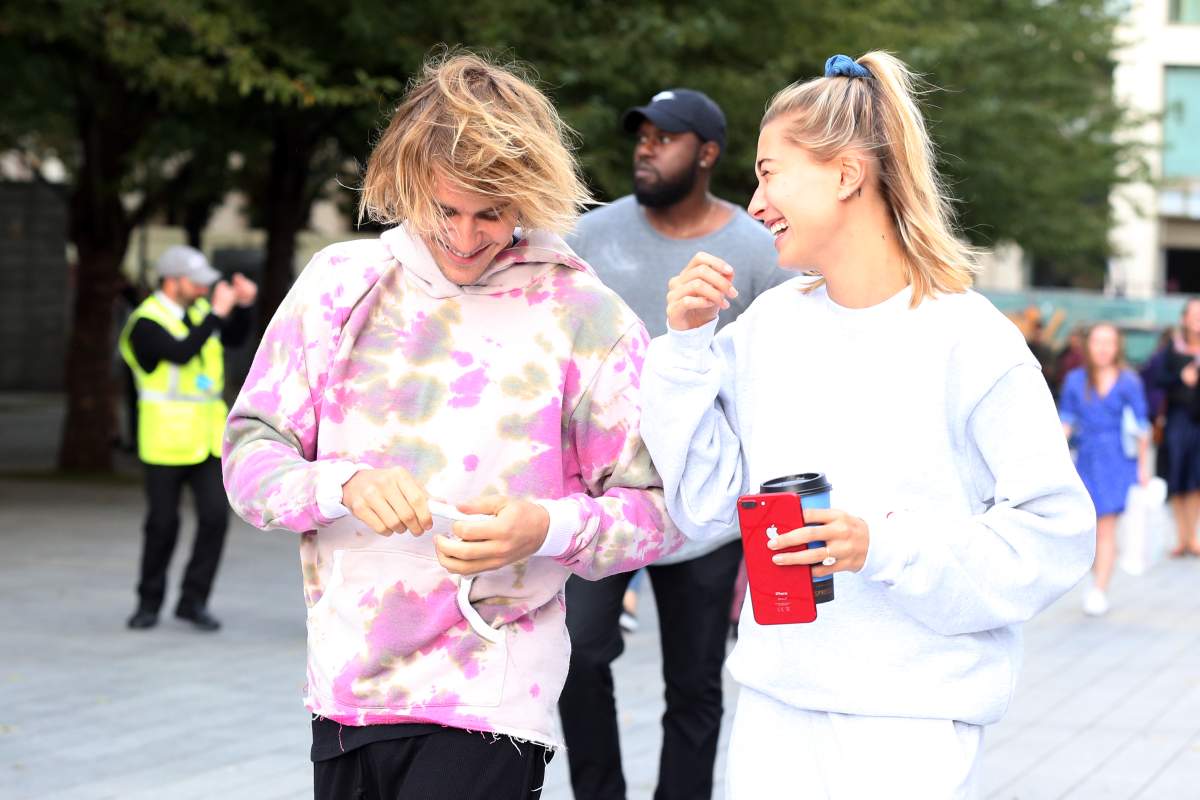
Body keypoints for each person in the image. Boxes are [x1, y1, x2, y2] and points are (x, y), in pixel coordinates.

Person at [221, 51, 681, 800]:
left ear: (529, 197)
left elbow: (661, 511)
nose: (467, 238)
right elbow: (249, 457)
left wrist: (547, 527)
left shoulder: (583, 315)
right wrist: (342, 484)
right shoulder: (340, 286)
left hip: (494, 692)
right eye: (446, 212)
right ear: (407, 188)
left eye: (492, 214)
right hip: (348, 688)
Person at [639, 52, 1095, 797]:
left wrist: (883, 547)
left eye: (770, 172)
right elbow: (704, 504)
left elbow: (1056, 531)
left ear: (847, 175)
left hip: (910, 724)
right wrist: (686, 347)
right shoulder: (766, 329)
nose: (753, 203)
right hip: (773, 710)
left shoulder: (969, 339)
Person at [559, 86, 789, 800]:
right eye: (643, 136)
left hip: (707, 513)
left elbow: (775, 386)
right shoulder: (590, 236)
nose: (647, 148)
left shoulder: (757, 250)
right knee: (577, 655)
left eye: (667, 138)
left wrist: (764, 527)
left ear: (709, 154)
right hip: (605, 503)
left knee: (695, 684)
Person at [119, 245, 256, 631]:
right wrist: (216, 313)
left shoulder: (199, 314)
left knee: (215, 520)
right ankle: (148, 602)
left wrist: (242, 307)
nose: (201, 288)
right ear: (172, 280)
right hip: (164, 443)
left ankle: (193, 602)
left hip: (207, 440)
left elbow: (233, 339)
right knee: (162, 525)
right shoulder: (145, 323)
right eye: (195, 282)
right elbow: (180, 353)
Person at [1059, 323, 1150, 616]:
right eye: (1097, 341)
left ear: (1117, 347)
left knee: (1106, 526)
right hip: (1086, 458)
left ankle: (1099, 588)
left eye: (1108, 342)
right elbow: (1065, 421)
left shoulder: (1129, 381)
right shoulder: (1075, 380)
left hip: (1117, 459)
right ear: (1088, 345)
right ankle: (1096, 576)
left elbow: (1141, 428)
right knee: (1087, 527)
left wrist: (1144, 470)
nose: (1102, 348)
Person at [1151, 299, 1200, 557]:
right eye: (1194, 314)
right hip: (1178, 422)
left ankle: (1193, 536)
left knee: (1196, 481)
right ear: (1184, 318)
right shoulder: (1172, 349)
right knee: (1178, 479)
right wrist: (1181, 378)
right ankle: (1182, 537)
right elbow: (1156, 379)